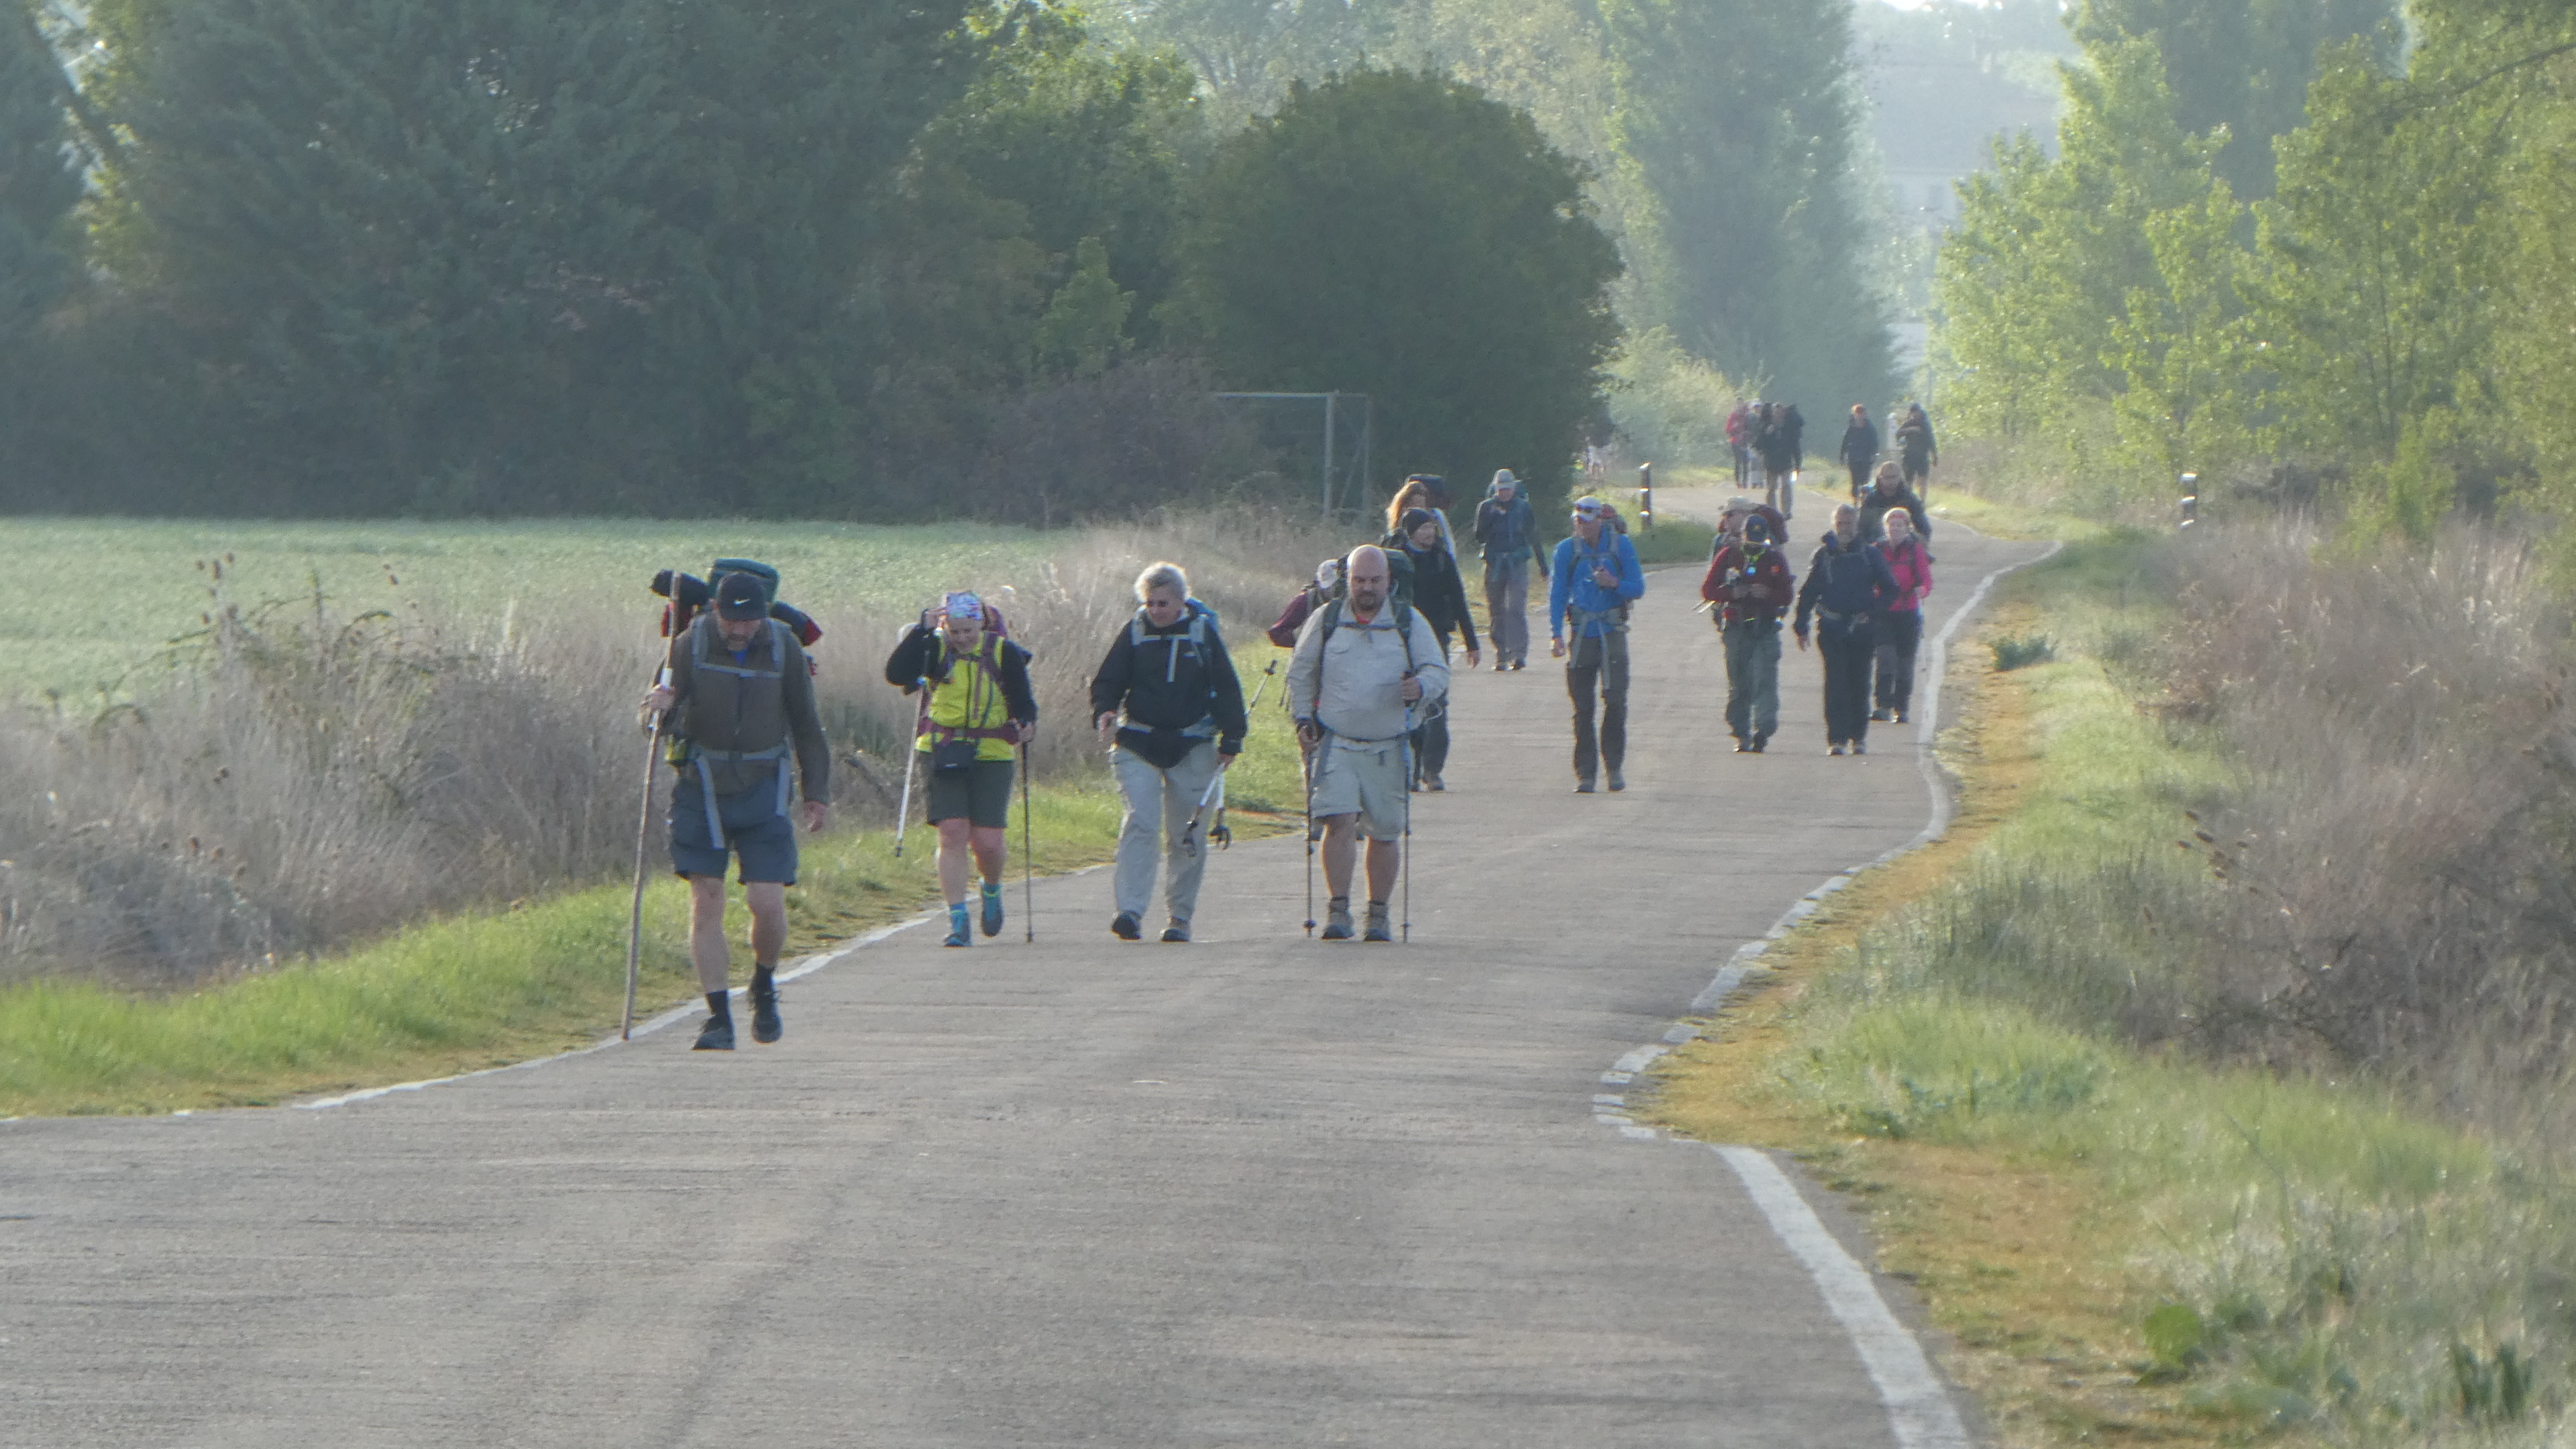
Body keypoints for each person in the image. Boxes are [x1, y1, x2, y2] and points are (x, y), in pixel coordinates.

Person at [641, 569, 833, 1052]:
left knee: (766, 904)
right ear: (716, 612)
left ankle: (763, 985)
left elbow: (807, 725)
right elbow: (650, 722)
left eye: (750, 621)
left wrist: (817, 793)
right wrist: (656, 709)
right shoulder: (688, 645)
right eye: (732, 620)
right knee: (706, 900)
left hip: (764, 788)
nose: (741, 630)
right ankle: (717, 1018)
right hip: (700, 788)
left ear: (763, 616)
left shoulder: (784, 647)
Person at [1288, 545, 1450, 942]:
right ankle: (1338, 911)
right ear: (1348, 581)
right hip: (1336, 742)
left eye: (1375, 580)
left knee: (1385, 831)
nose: (1367, 588)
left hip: (1389, 744)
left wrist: (1421, 687)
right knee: (1338, 821)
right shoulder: (1325, 620)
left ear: (1388, 582)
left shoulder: (1409, 622)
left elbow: (1438, 670)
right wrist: (1303, 717)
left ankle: (1378, 914)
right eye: (1359, 580)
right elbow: (1301, 671)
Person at [1090, 562, 1248, 944]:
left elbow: (1227, 687)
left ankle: (1179, 917)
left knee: (1186, 835)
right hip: (1137, 742)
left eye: (1164, 603)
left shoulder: (1202, 633)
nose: (1156, 611)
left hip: (1193, 744)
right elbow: (1108, 680)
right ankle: (1129, 911)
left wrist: (1232, 739)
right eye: (1150, 603)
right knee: (1141, 823)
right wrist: (1105, 711)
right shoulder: (1135, 632)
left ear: (1182, 600)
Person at [884, 593, 1037, 947]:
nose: (962, 638)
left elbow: (1024, 700)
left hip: (993, 751)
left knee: (988, 842)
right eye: (954, 630)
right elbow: (897, 674)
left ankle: (991, 889)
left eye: (968, 630)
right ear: (944, 626)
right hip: (942, 747)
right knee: (952, 831)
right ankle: (957, 920)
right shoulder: (935, 649)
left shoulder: (1003, 653)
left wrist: (1027, 722)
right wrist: (919, 634)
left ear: (981, 624)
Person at [1548, 496, 1646, 792]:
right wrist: (1555, 633)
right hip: (1581, 634)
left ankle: (1613, 768)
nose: (1582, 526)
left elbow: (1638, 587)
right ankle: (1586, 774)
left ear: (1600, 521)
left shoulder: (1621, 547)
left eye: (1587, 521)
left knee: (1615, 701)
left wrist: (1614, 584)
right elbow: (1557, 594)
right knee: (1583, 707)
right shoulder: (1566, 551)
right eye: (1578, 521)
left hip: (1612, 632)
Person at [1386, 506, 1481, 789]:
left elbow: (1459, 600)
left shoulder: (1442, 559)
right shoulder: (1396, 561)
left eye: (1432, 527)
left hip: (1437, 638)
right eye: (1424, 528)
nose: (1429, 533)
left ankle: (1433, 770)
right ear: (1411, 531)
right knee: (1402, 704)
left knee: (1437, 704)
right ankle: (1410, 771)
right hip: (1400, 638)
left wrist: (1472, 643)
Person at [1793, 504, 1898, 756]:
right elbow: (1808, 593)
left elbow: (1890, 589)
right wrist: (1801, 625)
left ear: (1857, 525)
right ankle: (1836, 740)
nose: (1845, 528)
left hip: (1861, 631)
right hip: (1830, 628)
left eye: (1849, 523)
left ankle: (1858, 738)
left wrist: (1871, 613)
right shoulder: (1823, 556)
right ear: (1834, 524)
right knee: (1835, 683)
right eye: (1840, 523)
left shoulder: (1870, 555)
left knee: (1860, 683)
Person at [1701, 512, 1796, 753]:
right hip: (1736, 628)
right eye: (1749, 537)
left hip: (1765, 627)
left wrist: (1768, 594)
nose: (1753, 543)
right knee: (1739, 683)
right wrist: (1733, 594)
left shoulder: (1775, 559)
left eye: (1759, 538)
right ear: (1742, 535)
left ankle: (1763, 729)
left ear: (1766, 537)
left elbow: (1787, 596)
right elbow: (1708, 589)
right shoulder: (1729, 555)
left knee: (1765, 679)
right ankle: (1740, 732)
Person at [1472, 469, 1544, 672]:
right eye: (1501, 489)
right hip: (1494, 564)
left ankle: (1519, 654)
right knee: (1496, 610)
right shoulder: (1486, 508)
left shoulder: (1524, 508)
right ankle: (1501, 654)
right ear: (1495, 489)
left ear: (1514, 488)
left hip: (1517, 564)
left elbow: (1534, 537)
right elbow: (1479, 537)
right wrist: (1493, 520)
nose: (1505, 493)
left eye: (1508, 489)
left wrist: (1543, 567)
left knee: (1515, 607)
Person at [1871, 509, 1935, 725]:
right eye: (1892, 525)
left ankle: (1902, 708)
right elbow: (1868, 575)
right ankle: (1882, 706)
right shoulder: (1876, 550)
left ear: (1908, 528)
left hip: (1908, 613)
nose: (1895, 529)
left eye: (1900, 525)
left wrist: (1922, 590)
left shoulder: (1915, 550)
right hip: (1884, 613)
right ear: (1885, 528)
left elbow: (1926, 578)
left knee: (1905, 664)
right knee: (1885, 660)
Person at [1270, 558, 1339, 650]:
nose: (1332, 590)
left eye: (1335, 585)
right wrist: (1303, 634)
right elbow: (1277, 635)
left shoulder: (1355, 602)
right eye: (1329, 586)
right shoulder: (1304, 601)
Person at [1858, 462, 1933, 544]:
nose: (1891, 481)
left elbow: (1924, 529)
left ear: (1900, 477)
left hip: (1904, 546)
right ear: (1880, 478)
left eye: (1894, 477)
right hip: (1876, 545)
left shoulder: (1910, 499)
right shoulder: (1871, 500)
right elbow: (1862, 528)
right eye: (1887, 478)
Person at [1385, 475, 1458, 557]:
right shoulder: (1395, 518)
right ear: (1404, 506)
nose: (1418, 511)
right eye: (1413, 506)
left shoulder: (1436, 515)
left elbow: (1448, 542)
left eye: (1421, 507)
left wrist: (1451, 560)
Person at [1756, 402, 1800, 521]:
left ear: (1783, 414)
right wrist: (1767, 434)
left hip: (1786, 462)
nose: (1778, 415)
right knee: (1771, 488)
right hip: (1771, 463)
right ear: (1772, 414)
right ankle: (1772, 512)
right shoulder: (1766, 426)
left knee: (1786, 486)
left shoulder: (1789, 428)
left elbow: (1795, 446)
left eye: (1780, 413)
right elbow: (1758, 445)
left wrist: (1798, 464)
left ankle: (1786, 512)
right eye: (1776, 413)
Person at [1838, 405, 1880, 500]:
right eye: (1857, 413)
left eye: (1861, 413)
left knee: (1865, 481)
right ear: (1854, 414)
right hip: (1853, 457)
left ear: (1865, 414)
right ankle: (1855, 501)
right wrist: (1842, 455)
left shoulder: (1870, 428)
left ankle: (1864, 501)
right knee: (1855, 481)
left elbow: (1875, 442)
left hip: (1866, 457)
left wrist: (1874, 454)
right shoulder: (1851, 427)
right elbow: (1845, 442)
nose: (1859, 416)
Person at [1896, 404, 1938, 492]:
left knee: (1923, 480)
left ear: (1920, 412)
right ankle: (1908, 499)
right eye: (1913, 413)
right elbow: (1898, 434)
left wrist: (1934, 456)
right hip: (1909, 456)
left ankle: (1922, 501)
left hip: (1922, 456)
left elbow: (1931, 441)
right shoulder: (1909, 423)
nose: (1915, 415)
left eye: (1916, 412)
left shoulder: (1926, 425)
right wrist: (1910, 430)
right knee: (1908, 480)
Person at [1725, 400, 1752, 487]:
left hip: (1746, 442)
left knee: (1746, 462)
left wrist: (1748, 433)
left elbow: (1753, 429)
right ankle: (1738, 482)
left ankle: (1745, 482)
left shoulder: (1749, 417)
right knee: (1738, 462)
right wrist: (1735, 427)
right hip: (1735, 441)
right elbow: (1728, 429)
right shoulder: (1734, 416)